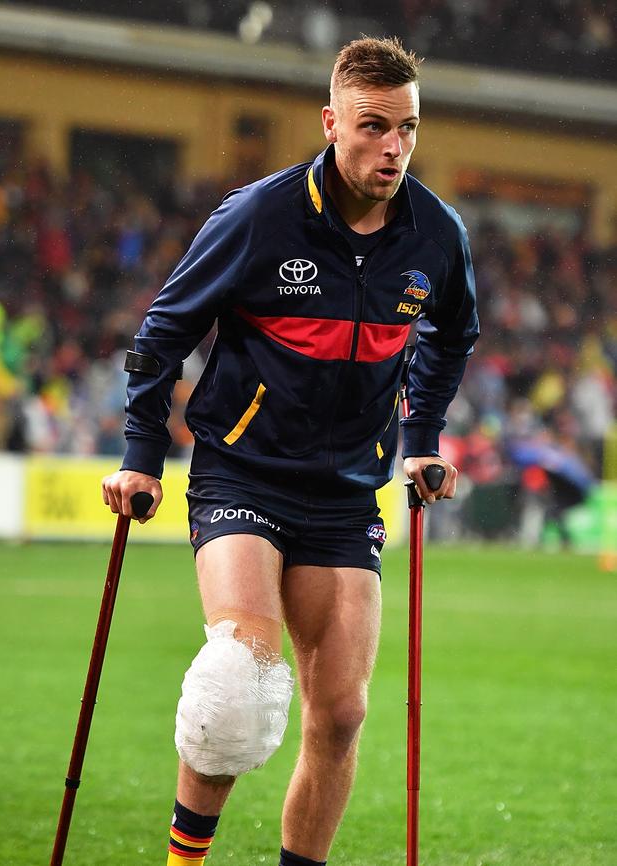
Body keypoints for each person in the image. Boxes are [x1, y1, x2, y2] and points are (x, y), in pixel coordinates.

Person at [102, 36, 479, 866]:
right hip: (244, 474)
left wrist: (421, 439)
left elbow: (453, 336)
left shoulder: (436, 235)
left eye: (408, 129)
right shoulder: (259, 216)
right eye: (373, 126)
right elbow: (163, 332)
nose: (394, 148)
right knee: (236, 680)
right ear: (330, 121)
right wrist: (139, 449)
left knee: (340, 714)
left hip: (347, 494)